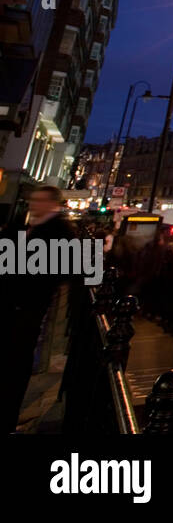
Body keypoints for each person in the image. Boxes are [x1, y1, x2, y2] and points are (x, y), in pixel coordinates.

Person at [1, 185, 81, 431]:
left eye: (38, 200)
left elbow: (67, 269)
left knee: (16, 361)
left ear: (52, 203)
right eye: (32, 200)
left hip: (27, 305)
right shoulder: (26, 224)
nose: (33, 204)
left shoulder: (60, 231)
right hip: (15, 303)